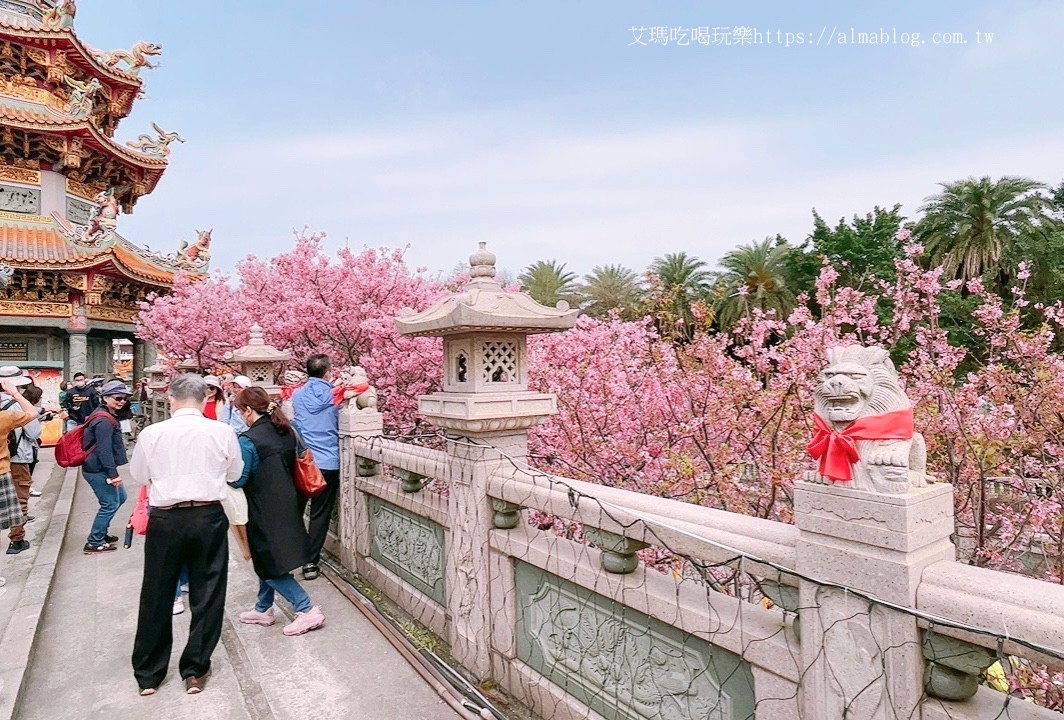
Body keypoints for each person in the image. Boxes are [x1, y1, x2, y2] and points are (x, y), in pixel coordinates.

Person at [129, 373, 242, 696]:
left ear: (171, 398)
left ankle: (149, 673)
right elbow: (234, 473)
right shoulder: (222, 431)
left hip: (166, 517)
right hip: (207, 515)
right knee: (207, 590)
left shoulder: (153, 433)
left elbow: (139, 474)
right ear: (205, 399)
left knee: (157, 591)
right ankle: (195, 669)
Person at [235, 386, 325, 636]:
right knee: (270, 557)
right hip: (290, 502)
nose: (241, 416)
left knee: (267, 562)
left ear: (249, 410)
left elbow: (239, 478)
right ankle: (263, 608)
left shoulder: (249, 439)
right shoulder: (286, 430)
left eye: (241, 411)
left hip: (263, 507)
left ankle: (306, 609)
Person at [291, 354, 340, 580]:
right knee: (320, 514)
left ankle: (292, 552)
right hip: (329, 462)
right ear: (328, 372)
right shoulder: (335, 395)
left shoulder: (297, 395)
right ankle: (311, 562)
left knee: (296, 509)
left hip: (304, 462)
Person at [82, 380, 130, 554]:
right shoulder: (103, 420)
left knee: (120, 498)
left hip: (97, 467)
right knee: (109, 504)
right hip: (97, 469)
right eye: (118, 397)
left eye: (124, 398)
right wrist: (113, 474)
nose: (122, 401)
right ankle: (94, 541)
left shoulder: (104, 415)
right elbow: (104, 450)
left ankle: (101, 532)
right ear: (105, 398)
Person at [0, 368, 39, 560]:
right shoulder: (16, 405)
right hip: (16, 459)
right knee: (20, 500)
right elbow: (33, 433)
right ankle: (17, 540)